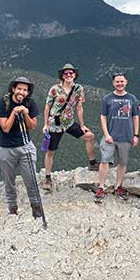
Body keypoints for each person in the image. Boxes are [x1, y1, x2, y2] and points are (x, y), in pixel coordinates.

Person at [41, 63, 97, 191]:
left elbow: (79, 107)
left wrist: (82, 125)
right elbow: (47, 107)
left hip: (69, 122)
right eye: (66, 73)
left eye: (71, 73)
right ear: (62, 76)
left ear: (75, 75)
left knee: (89, 136)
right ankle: (48, 177)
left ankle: (93, 163)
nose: (69, 75)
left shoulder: (79, 89)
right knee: (50, 152)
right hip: (54, 124)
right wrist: (45, 124)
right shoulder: (54, 89)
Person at [0, 76, 43, 218]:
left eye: (25, 90)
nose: (21, 92)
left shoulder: (30, 103)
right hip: (6, 148)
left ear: (28, 92)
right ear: (13, 89)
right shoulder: (3, 103)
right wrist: (14, 112)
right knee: (9, 181)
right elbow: (5, 127)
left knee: (31, 179)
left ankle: (36, 207)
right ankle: (12, 208)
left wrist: (26, 114)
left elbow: (33, 126)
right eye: (19, 89)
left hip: (25, 146)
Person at [94, 73, 140, 203]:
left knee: (123, 163)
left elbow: (135, 117)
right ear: (113, 83)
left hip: (126, 136)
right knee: (104, 161)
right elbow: (103, 116)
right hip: (110, 136)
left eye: (122, 81)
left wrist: (136, 135)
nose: (119, 84)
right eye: (117, 82)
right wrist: (106, 134)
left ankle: (118, 186)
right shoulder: (107, 99)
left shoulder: (132, 99)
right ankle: (101, 187)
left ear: (126, 82)